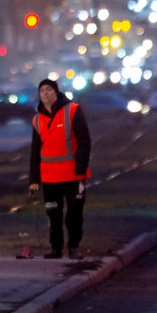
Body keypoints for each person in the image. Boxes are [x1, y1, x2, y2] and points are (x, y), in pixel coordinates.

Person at [28, 78, 92, 259]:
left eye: (49, 89)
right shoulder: (37, 120)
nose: (46, 93)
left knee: (74, 212)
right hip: (49, 177)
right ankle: (55, 248)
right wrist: (34, 180)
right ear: (39, 95)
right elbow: (35, 151)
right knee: (53, 214)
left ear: (56, 92)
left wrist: (80, 169)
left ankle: (73, 247)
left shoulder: (72, 111)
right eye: (42, 91)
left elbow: (84, 141)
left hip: (73, 175)